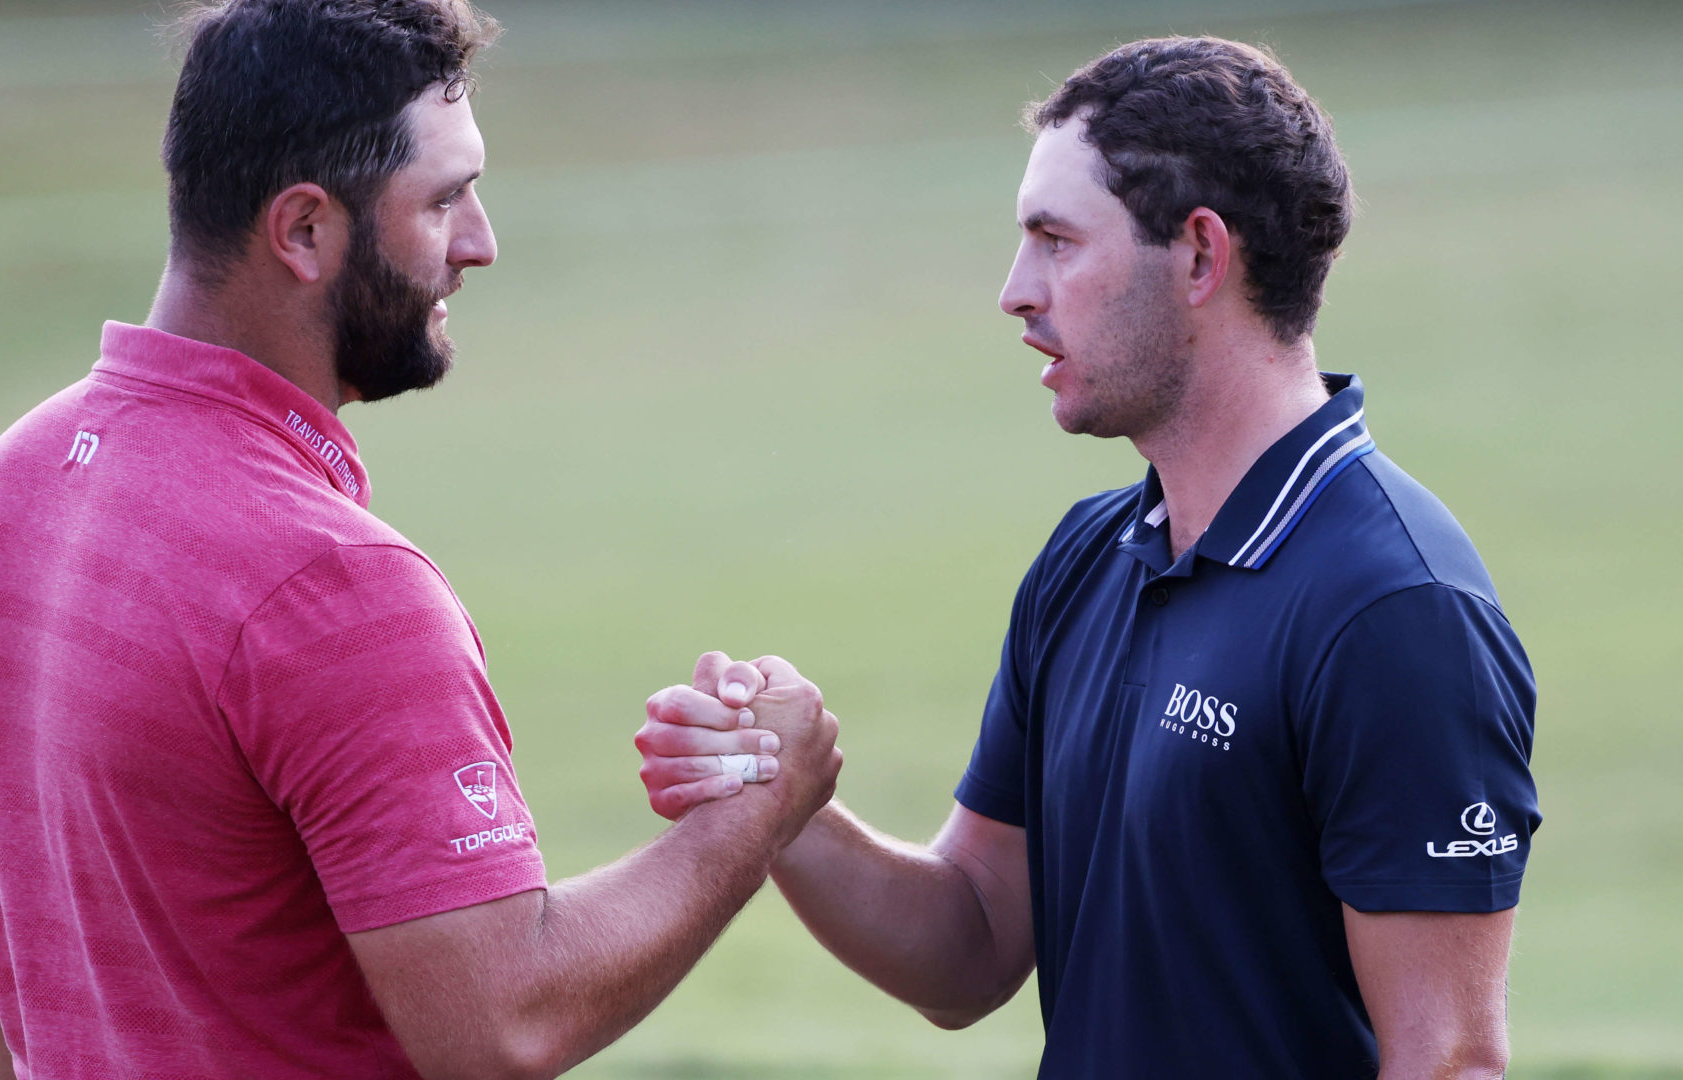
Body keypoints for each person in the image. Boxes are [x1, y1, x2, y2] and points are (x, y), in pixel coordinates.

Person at [0, 3, 840, 1078]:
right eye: (444, 201)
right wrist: (759, 808)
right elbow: (503, 1021)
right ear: (304, 230)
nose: (482, 243)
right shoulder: (333, 587)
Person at [636, 36, 1539, 1079]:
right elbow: (969, 945)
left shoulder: (1394, 610)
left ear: (1201, 255)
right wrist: (787, 806)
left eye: (1057, 240)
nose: (1016, 291)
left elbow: (1450, 1061)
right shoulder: (1090, 559)